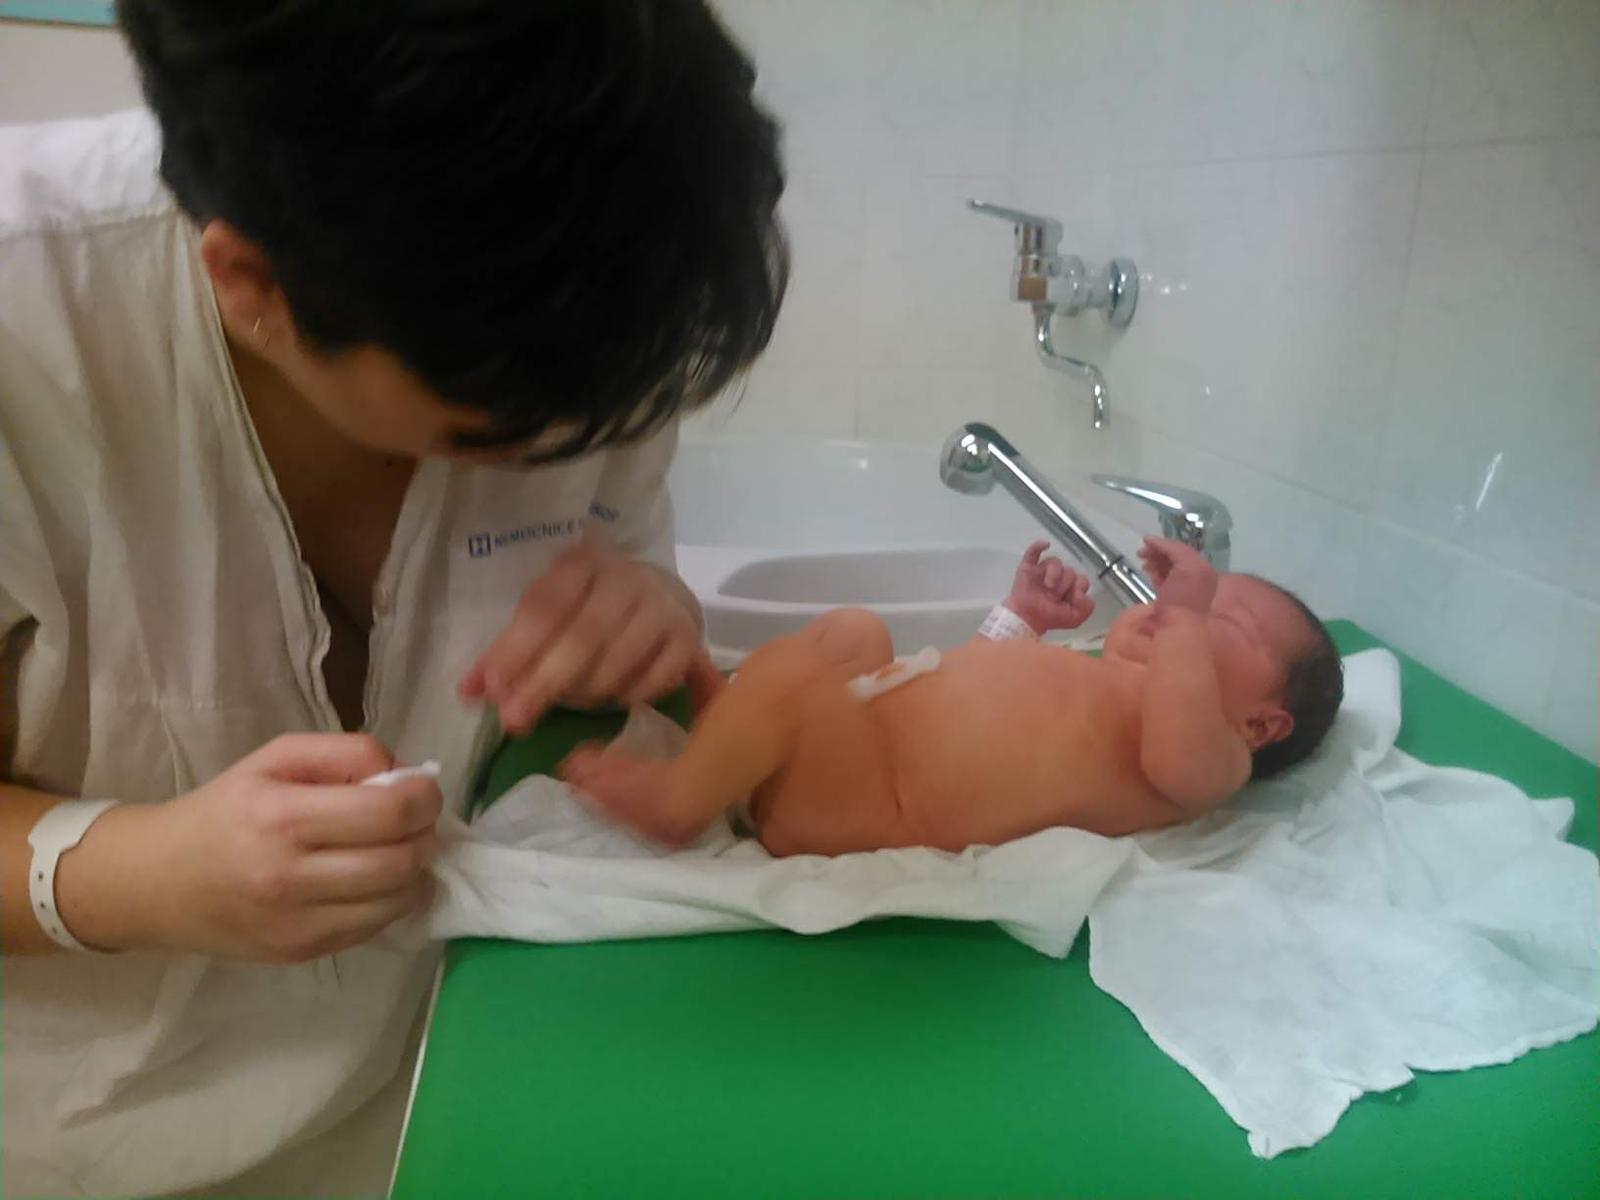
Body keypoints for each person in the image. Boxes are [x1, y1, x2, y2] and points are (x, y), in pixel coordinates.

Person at [0, 2, 785, 1195]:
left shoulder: (603, 273)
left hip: (458, 1076)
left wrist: (646, 612)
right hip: (78, 1143)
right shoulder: (31, 316)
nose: (574, 448)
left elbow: (610, 619)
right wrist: (141, 871)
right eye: (502, 429)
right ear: (250, 282)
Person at [563, 538, 1345, 856]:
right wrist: (1022, 619)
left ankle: (685, 797)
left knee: (800, 679)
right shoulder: (1096, 675)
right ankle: (732, 736)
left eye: (1221, 621)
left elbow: (1180, 751)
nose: (1178, 612)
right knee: (854, 630)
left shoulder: (1210, 758)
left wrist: (1185, 629)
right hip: (863, 735)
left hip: (874, 801)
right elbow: (974, 675)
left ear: (1261, 724)